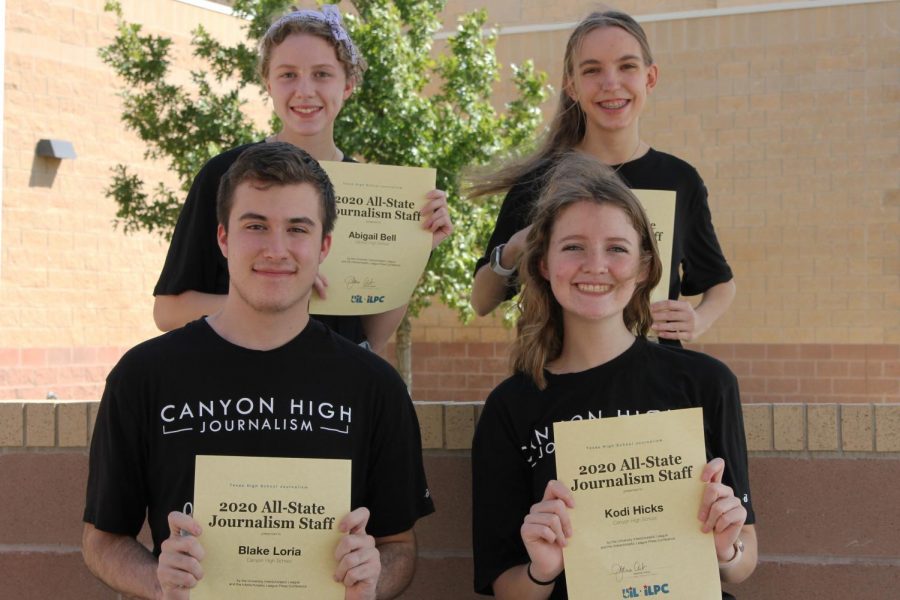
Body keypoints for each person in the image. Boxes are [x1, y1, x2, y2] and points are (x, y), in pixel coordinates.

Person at [83, 143, 434, 600]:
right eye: (255, 226)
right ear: (223, 238)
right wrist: (157, 579)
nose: (276, 248)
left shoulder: (375, 387)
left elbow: (399, 548)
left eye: (297, 229)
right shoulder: (144, 376)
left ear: (323, 245)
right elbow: (101, 539)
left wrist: (373, 578)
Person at [471, 153, 756, 599]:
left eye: (617, 248)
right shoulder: (512, 406)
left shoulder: (706, 383)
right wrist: (542, 569)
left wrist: (726, 549)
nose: (595, 265)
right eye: (573, 247)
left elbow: (743, 563)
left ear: (644, 268)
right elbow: (510, 588)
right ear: (544, 264)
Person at [153, 5, 452, 352]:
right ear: (268, 83)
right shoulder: (224, 175)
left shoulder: (372, 190)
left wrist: (414, 249)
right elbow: (168, 312)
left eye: (322, 74)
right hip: (239, 388)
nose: (305, 90)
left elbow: (373, 335)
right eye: (288, 74)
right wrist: (276, 299)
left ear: (349, 85)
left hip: (330, 391)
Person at [470, 10, 734, 345]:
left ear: (650, 78)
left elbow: (721, 283)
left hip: (654, 380)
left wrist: (699, 319)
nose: (611, 84)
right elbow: (481, 302)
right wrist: (518, 247)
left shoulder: (680, 179)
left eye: (627, 67)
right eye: (592, 70)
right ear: (572, 85)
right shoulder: (540, 181)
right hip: (561, 380)